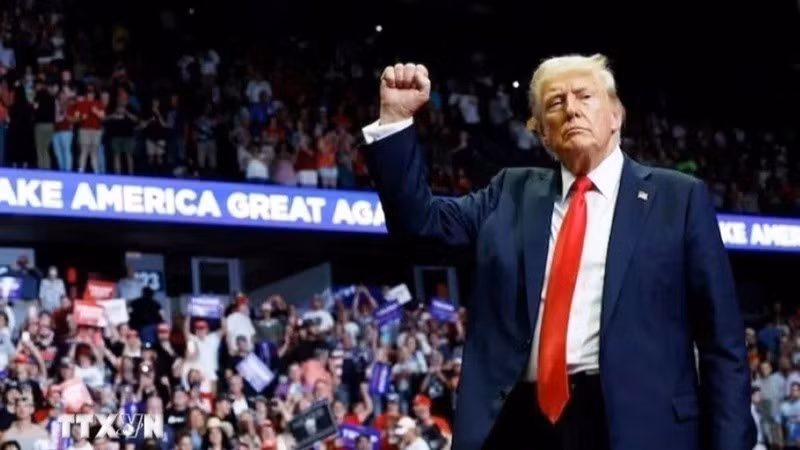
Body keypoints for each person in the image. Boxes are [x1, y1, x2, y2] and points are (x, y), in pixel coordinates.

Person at [361, 55, 754, 450]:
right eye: (555, 103)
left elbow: (723, 344)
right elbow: (420, 228)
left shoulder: (678, 199)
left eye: (585, 95)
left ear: (616, 115)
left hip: (636, 427)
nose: (571, 109)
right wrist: (395, 121)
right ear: (544, 135)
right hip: (520, 426)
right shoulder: (509, 193)